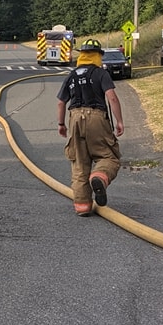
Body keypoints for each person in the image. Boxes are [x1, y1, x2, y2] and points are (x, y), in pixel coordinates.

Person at [56, 38, 125, 216]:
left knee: (79, 161)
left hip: (75, 118)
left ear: (82, 56)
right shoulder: (101, 74)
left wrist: (61, 124)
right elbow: (112, 97)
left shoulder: (71, 75)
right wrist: (119, 121)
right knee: (109, 156)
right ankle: (100, 176)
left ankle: (82, 206)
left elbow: (60, 103)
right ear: (97, 56)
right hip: (97, 117)